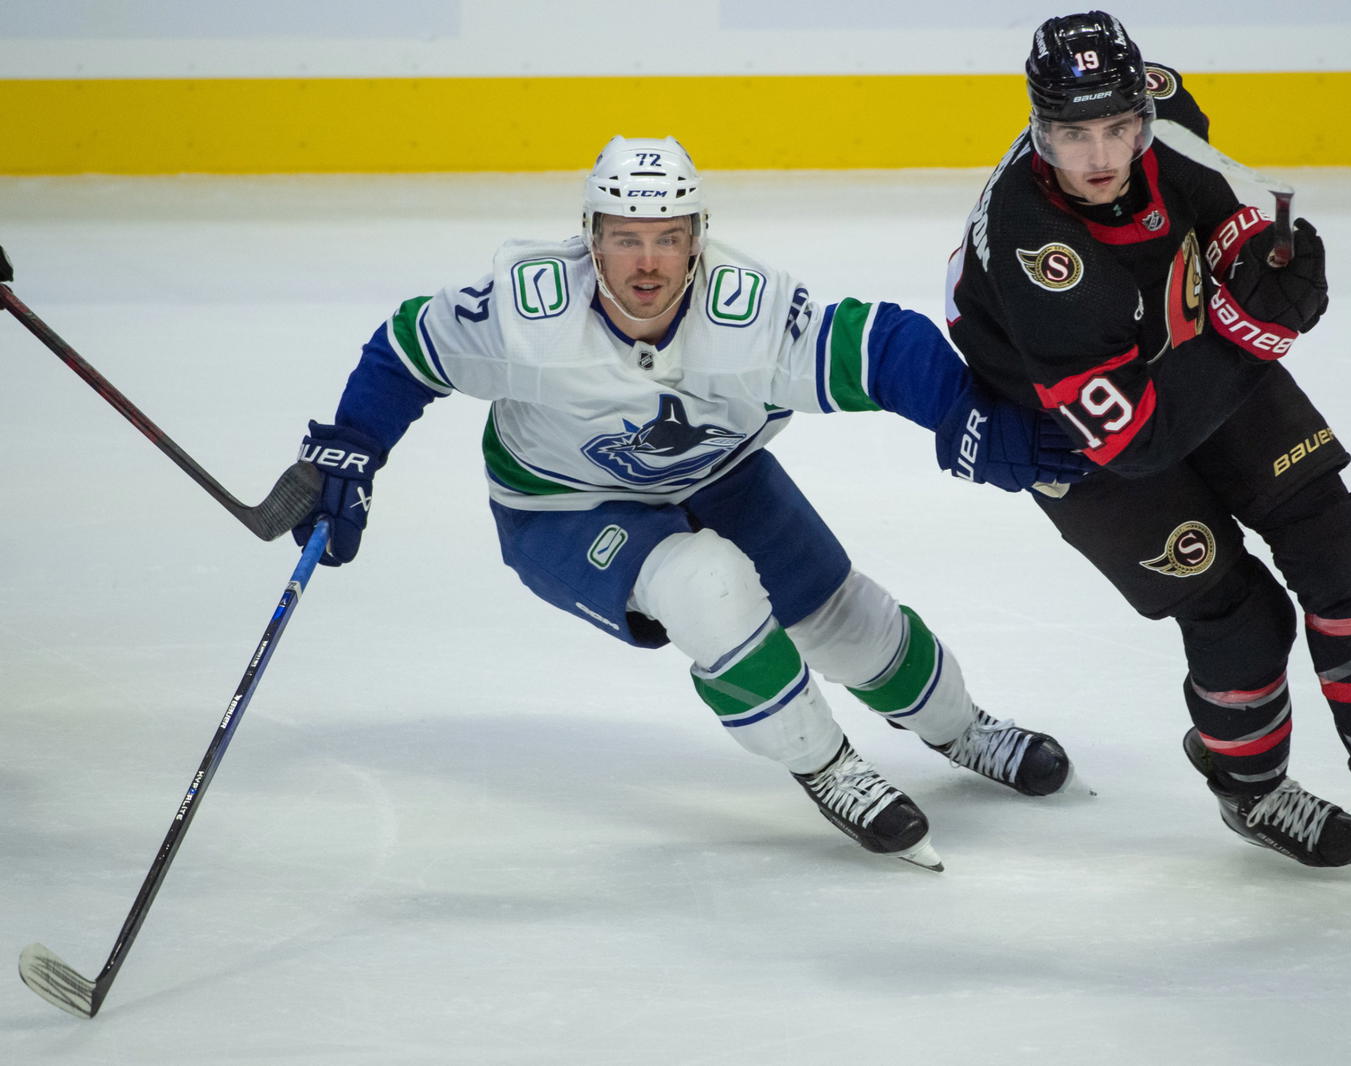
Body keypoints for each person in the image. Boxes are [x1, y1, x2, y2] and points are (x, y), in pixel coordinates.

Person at [291, 135, 1089, 872]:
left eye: (668, 238)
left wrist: (966, 414)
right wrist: (351, 447)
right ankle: (828, 766)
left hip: (718, 475)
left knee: (846, 622)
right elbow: (408, 349)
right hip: (561, 504)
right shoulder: (527, 313)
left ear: (698, 239)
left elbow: (883, 347)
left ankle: (964, 729)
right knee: (706, 584)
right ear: (589, 237)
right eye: (625, 238)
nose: (647, 263)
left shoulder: (751, 319)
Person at [944, 12, 1351, 901]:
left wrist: (1265, 260)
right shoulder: (1039, 250)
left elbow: (1219, 202)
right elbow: (1137, 440)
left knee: (1342, 548)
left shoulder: (1164, 112)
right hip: (1073, 432)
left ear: (1144, 106)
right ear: (1039, 128)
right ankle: (1253, 789)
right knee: (1238, 617)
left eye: (1118, 127)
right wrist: (1251, 325)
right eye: (1073, 135)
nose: (1100, 156)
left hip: (1175, 345)